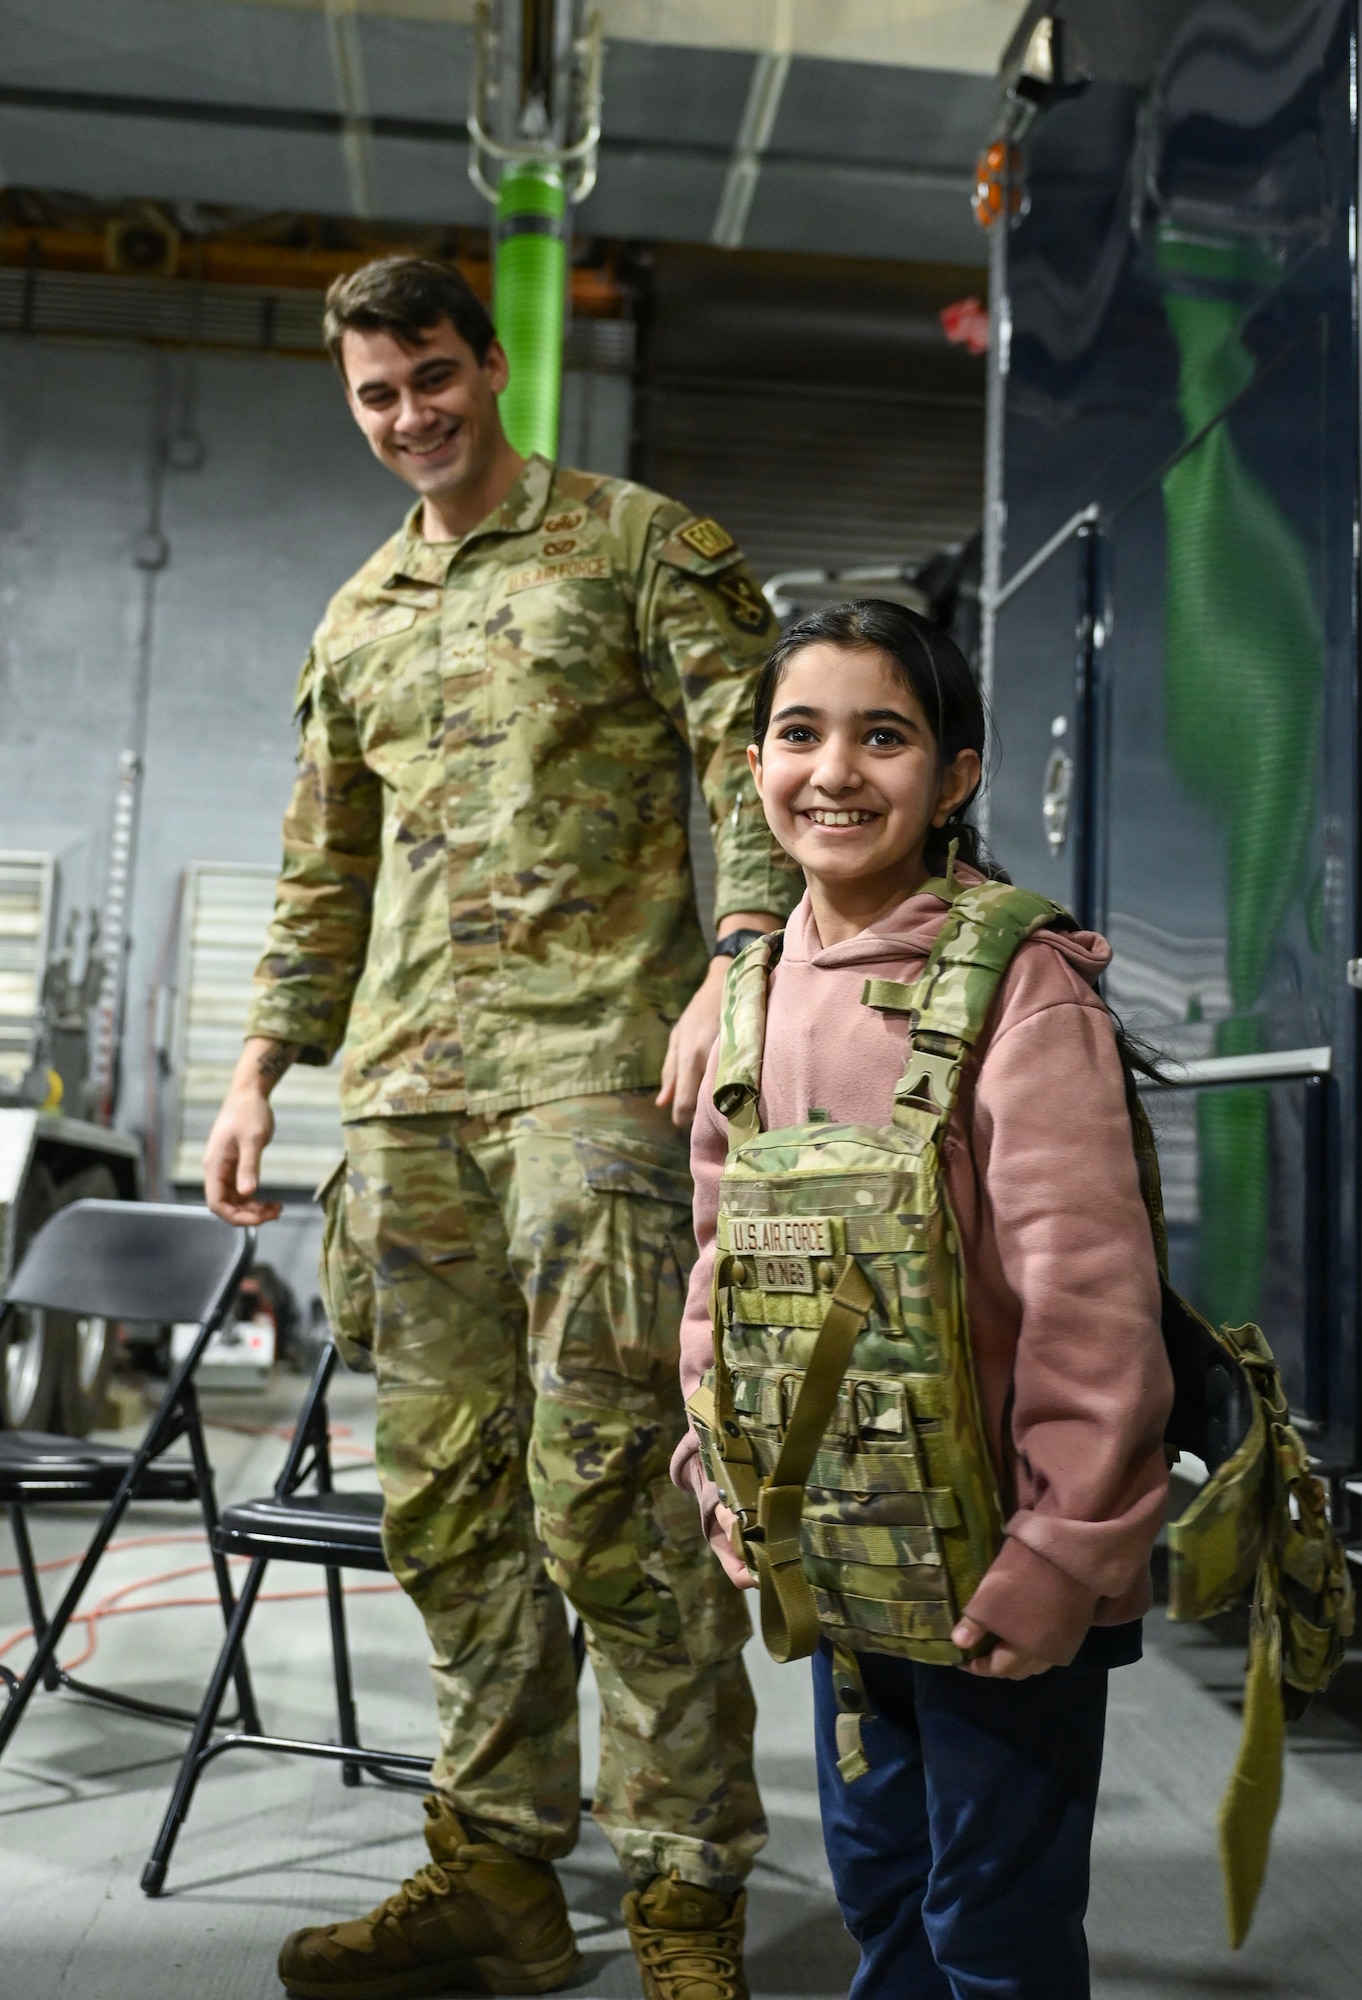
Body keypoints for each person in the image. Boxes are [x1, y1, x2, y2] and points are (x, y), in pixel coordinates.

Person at [203, 254, 801, 2000]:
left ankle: (687, 1894)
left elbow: (749, 752)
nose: (409, 419)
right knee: (449, 1510)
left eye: (433, 379)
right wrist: (260, 1065)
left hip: (600, 1075)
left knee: (612, 1497)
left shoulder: (632, 544)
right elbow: (325, 865)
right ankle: (497, 1872)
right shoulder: (356, 614)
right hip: (404, 1103)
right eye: (377, 396)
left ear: (491, 362)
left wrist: (748, 953)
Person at [673, 600, 1175, 1998]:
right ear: (755, 763)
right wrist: (722, 1475)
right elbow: (720, 1264)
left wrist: (1064, 1553)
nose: (834, 771)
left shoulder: (1018, 981)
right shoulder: (752, 992)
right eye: (798, 733)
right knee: (883, 1889)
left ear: (953, 776)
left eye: (882, 735)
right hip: (836, 1552)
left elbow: (1089, 1296)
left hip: (1005, 1560)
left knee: (994, 1931)